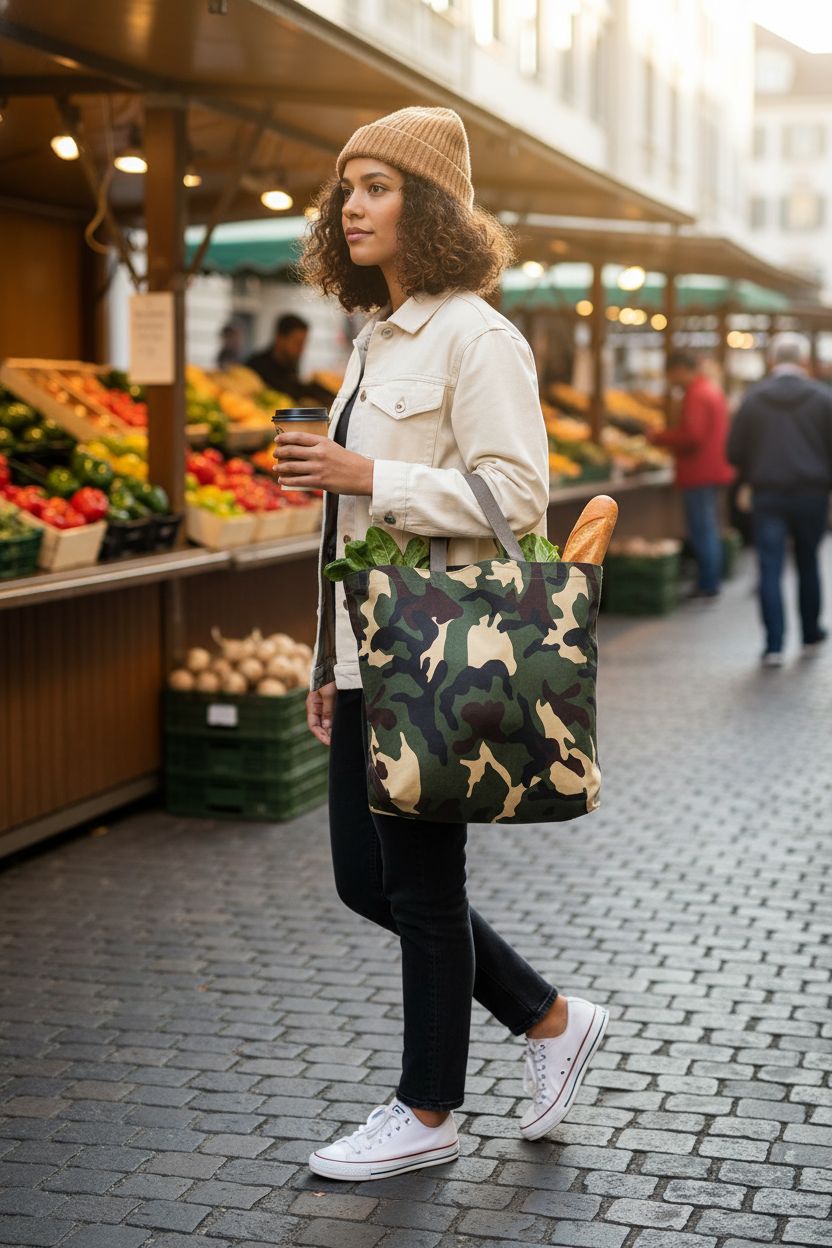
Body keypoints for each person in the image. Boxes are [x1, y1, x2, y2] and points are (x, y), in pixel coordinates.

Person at [274, 106, 609, 1182]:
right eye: (348, 187)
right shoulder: (375, 340)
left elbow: (518, 495)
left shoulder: (476, 336)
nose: (352, 205)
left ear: (428, 205)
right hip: (369, 650)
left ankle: (426, 1114)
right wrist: (326, 659)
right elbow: (344, 532)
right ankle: (548, 1018)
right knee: (362, 882)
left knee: (418, 885)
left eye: (376, 185)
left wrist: (375, 476)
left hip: (438, 651)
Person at [727, 332, 832, 666]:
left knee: (769, 566)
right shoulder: (822, 397)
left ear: (772, 360)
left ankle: (773, 645)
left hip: (767, 493)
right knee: (808, 562)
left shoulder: (754, 398)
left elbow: (733, 451)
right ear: (803, 361)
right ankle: (810, 633)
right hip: (812, 493)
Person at [650, 350, 735, 599]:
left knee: (702, 528)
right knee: (708, 527)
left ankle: (708, 584)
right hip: (711, 469)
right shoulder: (710, 389)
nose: (670, 379)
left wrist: (659, 437)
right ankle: (711, 580)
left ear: (679, 369)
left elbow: (692, 436)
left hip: (699, 472)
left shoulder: (696, 394)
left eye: (670, 374)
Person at [246, 312, 309, 398]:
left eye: (303, 344)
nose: (301, 349)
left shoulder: (291, 366)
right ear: (279, 338)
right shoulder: (256, 367)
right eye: (297, 343)